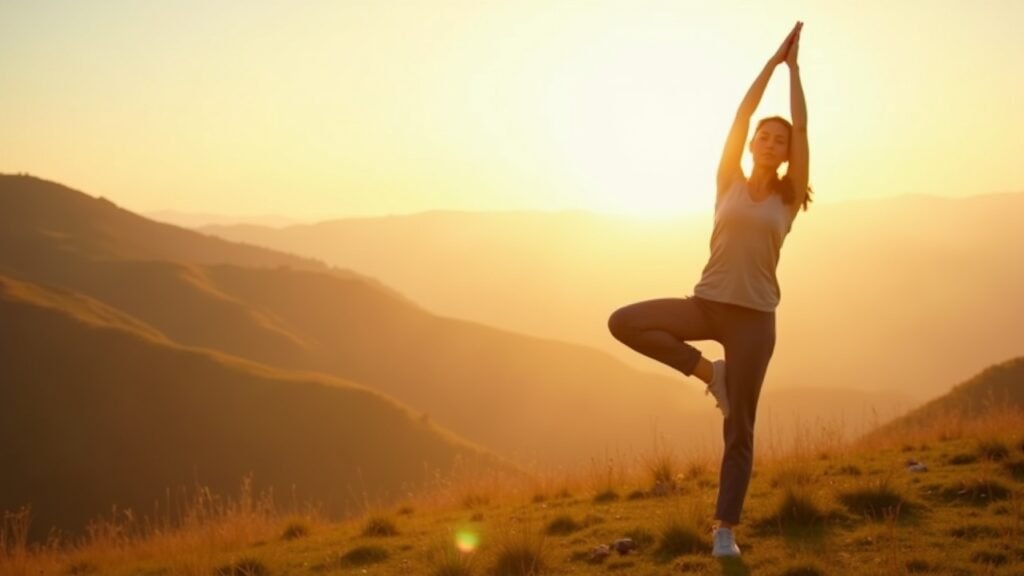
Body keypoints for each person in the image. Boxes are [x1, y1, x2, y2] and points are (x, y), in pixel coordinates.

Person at [607, 21, 810, 558]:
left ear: (788, 154)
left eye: (780, 139)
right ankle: (707, 374)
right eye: (764, 136)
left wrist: (795, 72)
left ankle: (724, 529)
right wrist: (770, 63)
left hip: (754, 321)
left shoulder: (786, 200)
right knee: (623, 321)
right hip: (706, 305)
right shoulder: (728, 181)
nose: (770, 141)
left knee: (739, 431)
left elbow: (806, 129)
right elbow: (739, 116)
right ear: (753, 145)